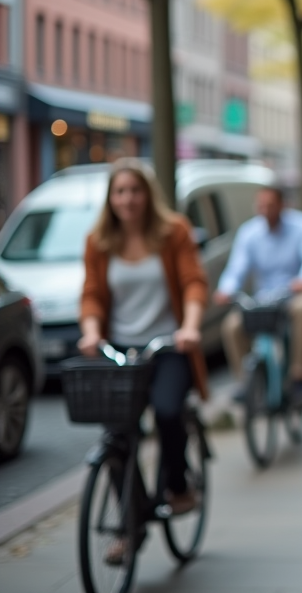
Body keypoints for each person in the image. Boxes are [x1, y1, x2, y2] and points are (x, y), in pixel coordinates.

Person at [78, 159, 209, 560]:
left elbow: (192, 283)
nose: (128, 199)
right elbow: (92, 294)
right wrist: (91, 331)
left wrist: (189, 327)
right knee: (117, 433)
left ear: (147, 194)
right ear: (110, 198)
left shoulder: (173, 232)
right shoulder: (99, 240)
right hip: (121, 348)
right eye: (120, 192)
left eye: (135, 191)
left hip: (169, 346)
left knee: (168, 411)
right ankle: (130, 525)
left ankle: (179, 485)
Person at [214, 187, 302, 404]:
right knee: (232, 326)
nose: (265, 210)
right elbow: (237, 267)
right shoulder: (249, 233)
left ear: (283, 205)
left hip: (293, 294)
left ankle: (298, 376)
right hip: (263, 300)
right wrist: (225, 289)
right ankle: (247, 382)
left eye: (270, 205)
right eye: (261, 205)